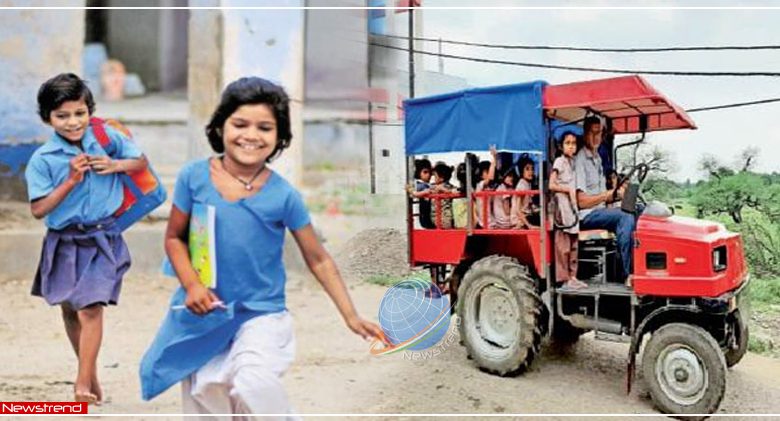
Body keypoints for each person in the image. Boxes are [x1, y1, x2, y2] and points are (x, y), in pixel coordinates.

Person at [139, 77, 384, 416]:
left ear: (279, 137)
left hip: (261, 316)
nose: (251, 135)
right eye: (240, 124)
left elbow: (319, 259)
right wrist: (192, 284)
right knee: (207, 399)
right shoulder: (193, 177)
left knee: (253, 382)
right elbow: (174, 238)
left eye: (265, 128)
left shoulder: (284, 195)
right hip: (205, 314)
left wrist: (351, 315)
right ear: (220, 125)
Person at [25, 73, 149, 404]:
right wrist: (69, 181)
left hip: (103, 238)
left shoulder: (108, 137)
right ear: (47, 118)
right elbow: (39, 210)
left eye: (79, 113)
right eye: (61, 115)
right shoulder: (43, 160)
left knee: (91, 307)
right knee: (70, 308)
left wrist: (115, 164)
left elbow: (140, 161)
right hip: (64, 240)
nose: (72, 122)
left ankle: (80, 385)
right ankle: (91, 377)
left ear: (89, 111)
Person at [574, 116, 635, 284]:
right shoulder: (580, 160)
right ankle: (628, 273)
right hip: (586, 215)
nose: (596, 138)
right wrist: (607, 195)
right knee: (625, 216)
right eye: (592, 133)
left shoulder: (598, 158)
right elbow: (581, 202)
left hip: (600, 211)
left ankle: (641, 264)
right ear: (585, 134)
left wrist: (617, 194)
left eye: (599, 133)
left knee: (639, 209)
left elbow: (603, 196)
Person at [550, 132, 587, 289]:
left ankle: (573, 276)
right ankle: (564, 279)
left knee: (573, 245)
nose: (571, 146)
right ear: (561, 146)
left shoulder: (572, 163)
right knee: (563, 245)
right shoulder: (559, 161)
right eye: (568, 143)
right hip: (562, 205)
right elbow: (551, 185)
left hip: (571, 206)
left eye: (573, 143)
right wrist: (567, 190)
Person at [512, 156, 540, 229]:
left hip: (526, 216)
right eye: (527, 169)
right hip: (519, 219)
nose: (531, 172)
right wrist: (529, 226)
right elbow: (517, 210)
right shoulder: (521, 185)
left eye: (532, 169)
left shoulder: (527, 183)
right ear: (522, 171)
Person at [473, 145, 497, 228]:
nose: (489, 173)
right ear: (480, 174)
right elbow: (490, 178)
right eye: (486, 172)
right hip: (484, 224)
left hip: (491, 222)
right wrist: (494, 158)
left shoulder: (490, 187)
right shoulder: (480, 185)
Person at [429, 162, 458, 229]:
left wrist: (445, 190)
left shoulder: (435, 187)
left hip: (440, 219)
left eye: (435, 176)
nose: (434, 178)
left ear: (441, 178)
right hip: (448, 219)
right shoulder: (450, 187)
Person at [407, 158, 435, 228]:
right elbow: (413, 193)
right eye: (425, 172)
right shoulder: (420, 184)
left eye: (430, 172)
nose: (428, 175)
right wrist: (425, 192)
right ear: (418, 173)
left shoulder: (427, 185)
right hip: (424, 215)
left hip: (428, 214)